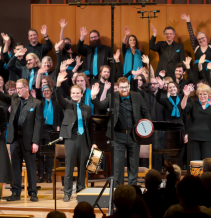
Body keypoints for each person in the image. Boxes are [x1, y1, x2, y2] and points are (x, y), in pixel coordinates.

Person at [92, 77, 151, 186]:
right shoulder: (112, 96)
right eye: (121, 88)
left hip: (134, 135)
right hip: (118, 135)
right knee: (118, 166)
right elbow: (100, 107)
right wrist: (94, 97)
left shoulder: (137, 96)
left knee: (133, 165)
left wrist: (148, 126)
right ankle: (117, 190)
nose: (124, 89)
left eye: (125, 87)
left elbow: (145, 112)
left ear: (129, 86)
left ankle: (132, 189)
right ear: (117, 88)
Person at [0, 79, 42, 201]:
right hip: (15, 138)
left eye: (19, 88)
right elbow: (2, 96)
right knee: (15, 166)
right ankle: (16, 192)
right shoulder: (15, 99)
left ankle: (33, 192)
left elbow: (38, 125)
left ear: (26, 88)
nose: (17, 91)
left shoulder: (36, 103)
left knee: (31, 166)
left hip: (28, 140)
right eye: (16, 88)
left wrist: (36, 142)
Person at [56, 71, 95, 201]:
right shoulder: (67, 104)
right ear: (70, 94)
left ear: (82, 94)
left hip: (84, 139)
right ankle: (67, 192)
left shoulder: (88, 108)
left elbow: (90, 127)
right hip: (71, 138)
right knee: (69, 166)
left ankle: (80, 190)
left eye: (77, 93)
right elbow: (59, 98)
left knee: (82, 167)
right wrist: (58, 84)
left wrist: (93, 142)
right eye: (73, 93)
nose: (75, 95)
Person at [180, 84, 211, 163]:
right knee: (193, 163)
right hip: (194, 139)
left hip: (210, 139)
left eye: (204, 94)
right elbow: (183, 108)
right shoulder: (193, 104)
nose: (202, 96)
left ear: (209, 95)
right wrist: (185, 96)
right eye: (200, 94)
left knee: (209, 163)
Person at [183, 12, 211, 84]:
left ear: (206, 38)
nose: (201, 40)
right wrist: (188, 21)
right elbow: (191, 34)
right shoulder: (196, 47)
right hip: (196, 70)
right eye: (199, 39)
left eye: (202, 38)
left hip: (210, 70)